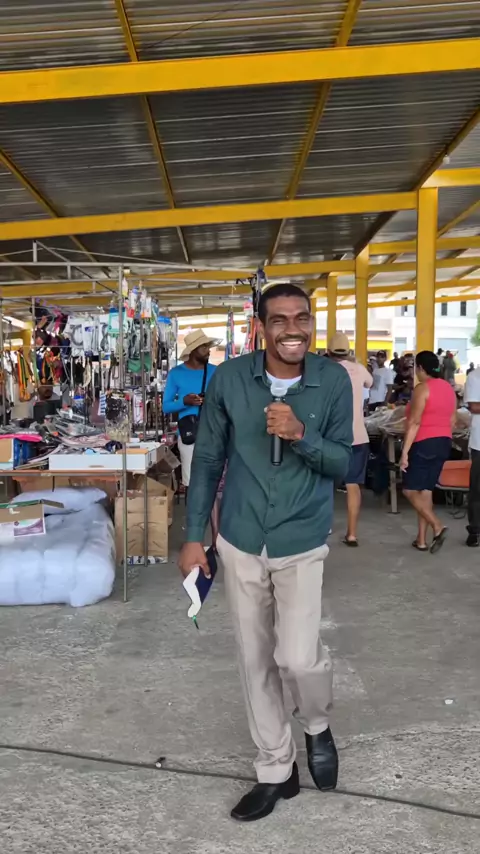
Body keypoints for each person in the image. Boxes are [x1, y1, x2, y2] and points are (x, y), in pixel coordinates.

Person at [179, 283, 353, 822]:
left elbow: (345, 463)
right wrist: (193, 536)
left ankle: (317, 725)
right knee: (255, 657)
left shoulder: (332, 381)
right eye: (279, 319)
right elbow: (208, 460)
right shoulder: (231, 379)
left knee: (298, 658)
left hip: (302, 538)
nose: (292, 329)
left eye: (302, 318)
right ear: (261, 327)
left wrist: (301, 434)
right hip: (240, 536)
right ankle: (276, 769)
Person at [400, 351, 456, 553]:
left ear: (421, 368)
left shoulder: (422, 388)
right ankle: (421, 540)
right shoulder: (448, 388)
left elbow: (414, 422)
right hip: (443, 443)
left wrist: (404, 453)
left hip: (424, 443)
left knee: (409, 490)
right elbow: (452, 420)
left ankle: (437, 525)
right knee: (425, 491)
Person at [327, 332, 372, 546]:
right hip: (358, 436)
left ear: (329, 352)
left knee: (326, 482)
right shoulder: (359, 369)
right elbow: (370, 383)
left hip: (333, 437)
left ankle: (325, 525)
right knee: (353, 485)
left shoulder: (325, 370)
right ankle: (352, 534)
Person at [163, 330, 216, 494]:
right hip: (189, 434)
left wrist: (211, 400)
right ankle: (193, 510)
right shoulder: (176, 374)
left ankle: (214, 511)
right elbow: (166, 406)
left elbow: (227, 399)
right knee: (191, 482)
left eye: (208, 347)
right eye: (204, 347)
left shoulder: (216, 371)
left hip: (214, 432)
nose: (208, 351)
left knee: (214, 481)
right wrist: (184, 402)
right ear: (193, 350)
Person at [463, 365, 480, 546]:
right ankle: (475, 530)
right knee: (477, 490)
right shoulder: (475, 377)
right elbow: (474, 406)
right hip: (479, 443)